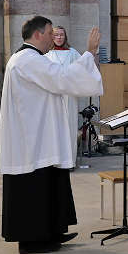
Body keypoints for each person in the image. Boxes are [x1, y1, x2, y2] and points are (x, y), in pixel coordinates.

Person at [0, 17, 103, 254]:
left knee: (48, 183)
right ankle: (34, 239)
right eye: (49, 33)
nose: (52, 38)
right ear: (37, 35)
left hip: (39, 136)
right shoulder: (28, 60)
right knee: (36, 187)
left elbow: (60, 77)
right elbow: (63, 78)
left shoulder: (30, 59)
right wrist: (89, 53)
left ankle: (51, 232)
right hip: (32, 141)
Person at [45, 27, 83, 160]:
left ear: (65, 37)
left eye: (61, 35)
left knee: (70, 126)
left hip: (69, 95)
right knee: (54, 127)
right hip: (53, 95)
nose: (59, 37)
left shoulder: (73, 53)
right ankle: (55, 160)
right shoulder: (47, 54)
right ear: (52, 37)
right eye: (56, 35)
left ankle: (70, 160)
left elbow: (82, 69)